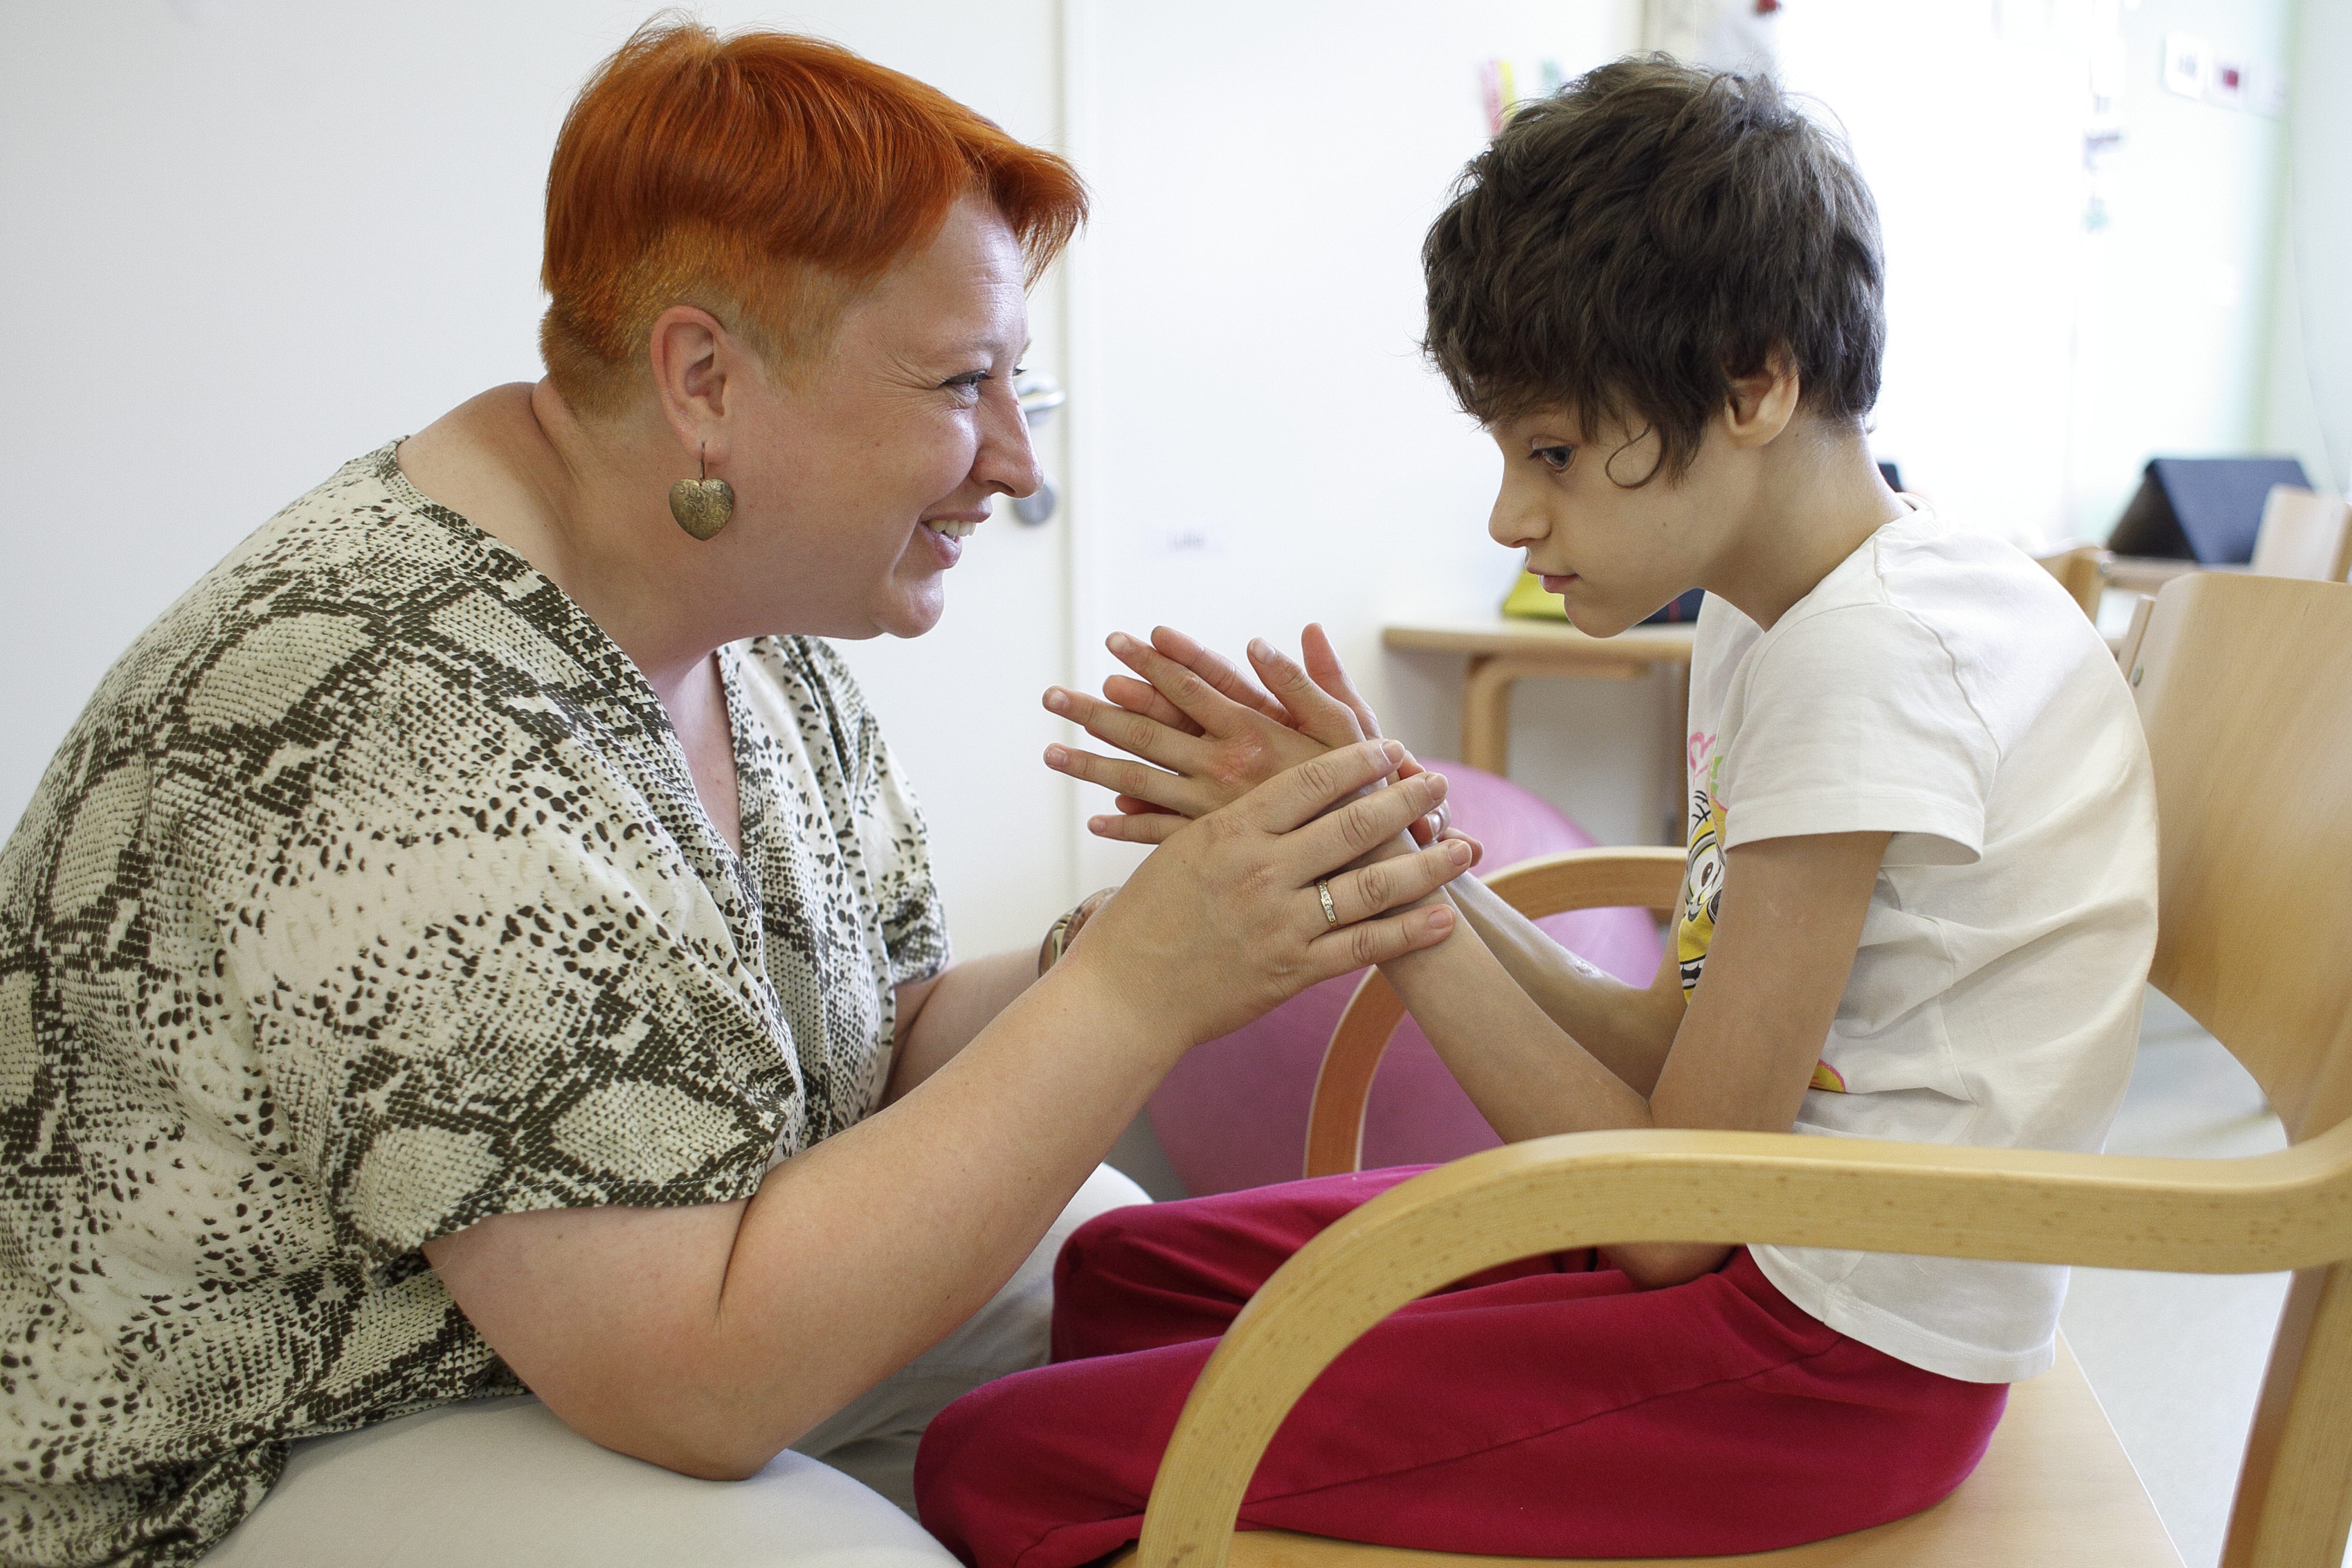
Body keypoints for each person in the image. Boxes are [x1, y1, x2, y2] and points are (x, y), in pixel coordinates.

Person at [0, 22, 1475, 1568]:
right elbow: (696, 1380)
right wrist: (1133, 988)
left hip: (603, 1340)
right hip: (259, 1462)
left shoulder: (728, 617)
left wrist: (1148, 939)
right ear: (704, 378)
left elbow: (875, 1042)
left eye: (1017, 388)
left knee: (1161, 1315)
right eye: (963, 384)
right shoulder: (397, 713)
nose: (1014, 464)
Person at [914, 56, 2160, 1566]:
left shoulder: (1864, 659)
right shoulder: (1791, 613)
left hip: (1833, 1361)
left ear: (1752, 382)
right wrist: (1387, 830)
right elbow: (1675, 1068)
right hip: (1759, 1242)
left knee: (1001, 1462)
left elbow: (1668, 1208)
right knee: (1121, 1272)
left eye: (1552, 452)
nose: (1510, 512)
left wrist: (1388, 896)